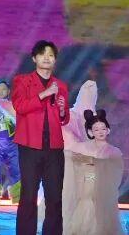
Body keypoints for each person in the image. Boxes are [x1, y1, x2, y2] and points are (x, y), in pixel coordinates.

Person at [12, 39, 70, 235]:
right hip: (30, 146)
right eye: (43, 54)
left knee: (54, 196)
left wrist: (62, 110)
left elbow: (64, 119)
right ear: (34, 58)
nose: (47, 58)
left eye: (51, 55)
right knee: (29, 195)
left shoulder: (60, 85)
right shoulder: (22, 81)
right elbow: (20, 106)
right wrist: (43, 94)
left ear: (55, 60)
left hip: (54, 148)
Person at [59, 81, 125, 235]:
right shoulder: (82, 146)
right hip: (87, 184)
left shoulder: (113, 151)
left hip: (104, 187)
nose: (100, 132)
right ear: (90, 132)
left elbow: (116, 171)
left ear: (108, 130)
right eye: (96, 129)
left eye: (103, 129)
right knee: (86, 198)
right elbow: (71, 155)